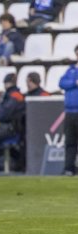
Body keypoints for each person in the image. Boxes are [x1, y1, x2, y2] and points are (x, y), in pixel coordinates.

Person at [59, 45, 78, 176]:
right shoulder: (71, 70)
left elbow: (65, 84)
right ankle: (69, 168)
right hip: (70, 112)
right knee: (70, 142)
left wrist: (70, 84)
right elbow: (61, 83)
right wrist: (75, 82)